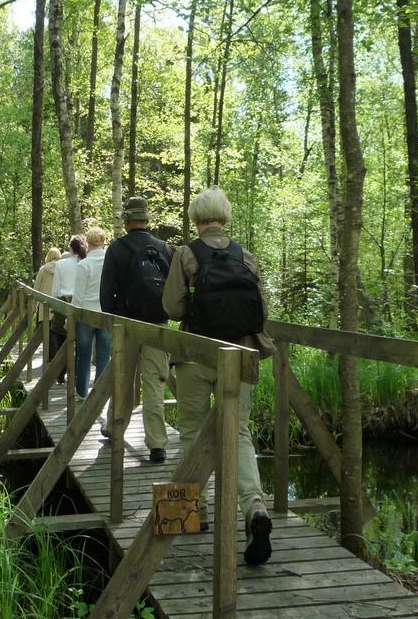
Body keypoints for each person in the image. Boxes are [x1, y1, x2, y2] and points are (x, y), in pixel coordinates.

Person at [162, 186, 275, 566]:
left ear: (197, 219)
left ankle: (199, 514)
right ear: (225, 216)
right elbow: (260, 308)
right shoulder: (245, 254)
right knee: (239, 432)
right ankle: (255, 508)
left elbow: (172, 307)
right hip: (240, 355)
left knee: (192, 432)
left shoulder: (186, 253)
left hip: (196, 356)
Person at [99, 197, 172, 463]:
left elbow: (106, 296)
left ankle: (115, 429)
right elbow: (174, 291)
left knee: (123, 380)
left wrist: (116, 318)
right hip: (158, 327)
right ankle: (157, 444)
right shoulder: (164, 248)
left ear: (126, 221)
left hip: (127, 326)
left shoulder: (117, 249)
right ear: (147, 220)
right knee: (154, 383)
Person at [71, 227, 109, 398]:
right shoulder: (110, 263)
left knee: (83, 355)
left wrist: (71, 317)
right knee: (103, 355)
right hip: (105, 313)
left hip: (86, 313)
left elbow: (78, 297)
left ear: (88, 243)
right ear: (103, 242)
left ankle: (81, 392)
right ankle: (100, 394)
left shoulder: (84, 265)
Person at [50, 235, 86, 383]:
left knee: (61, 338)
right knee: (80, 339)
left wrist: (52, 305)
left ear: (71, 248)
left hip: (63, 303)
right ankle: (78, 372)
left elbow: (55, 289)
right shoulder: (85, 263)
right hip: (80, 303)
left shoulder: (61, 264)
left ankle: (61, 371)